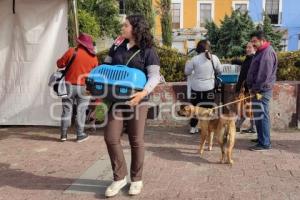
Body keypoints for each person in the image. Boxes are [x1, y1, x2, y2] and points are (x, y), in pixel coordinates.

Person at [103, 15, 161, 197]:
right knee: (111, 137)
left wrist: (143, 94)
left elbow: (154, 77)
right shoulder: (117, 46)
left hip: (138, 100)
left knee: (136, 140)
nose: (123, 27)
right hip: (116, 100)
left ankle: (136, 180)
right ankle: (119, 177)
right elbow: (106, 66)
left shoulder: (148, 51)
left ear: (135, 28)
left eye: (126, 25)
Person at [56, 33, 98, 142]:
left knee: (66, 109)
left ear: (79, 42)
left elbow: (60, 64)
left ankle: (63, 135)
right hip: (85, 87)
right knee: (81, 111)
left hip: (68, 86)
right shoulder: (93, 57)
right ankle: (80, 134)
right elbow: (95, 74)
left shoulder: (71, 51)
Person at [247, 31, 278, 151]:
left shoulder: (267, 53)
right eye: (252, 41)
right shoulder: (261, 51)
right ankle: (261, 138)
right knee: (258, 116)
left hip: (261, 91)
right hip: (257, 90)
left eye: (255, 41)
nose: (253, 44)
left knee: (262, 116)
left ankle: (265, 143)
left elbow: (263, 76)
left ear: (262, 40)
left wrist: (254, 89)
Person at [185, 40, 222, 134]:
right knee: (208, 109)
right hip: (209, 88)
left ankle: (193, 127)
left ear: (198, 48)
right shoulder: (214, 58)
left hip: (196, 88)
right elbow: (220, 71)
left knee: (194, 108)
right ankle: (208, 128)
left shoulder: (194, 59)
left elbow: (187, 72)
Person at [234, 42, 256, 134]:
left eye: (249, 47)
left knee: (249, 109)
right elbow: (243, 72)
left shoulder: (254, 59)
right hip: (245, 89)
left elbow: (249, 75)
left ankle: (239, 126)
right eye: (246, 47)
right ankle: (242, 126)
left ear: (255, 49)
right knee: (246, 108)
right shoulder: (249, 59)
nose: (247, 49)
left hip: (249, 89)